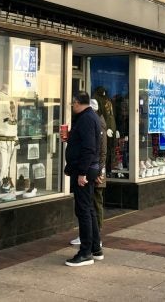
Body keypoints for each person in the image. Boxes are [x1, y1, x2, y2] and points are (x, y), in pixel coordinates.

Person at [64, 92, 102, 266]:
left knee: (83, 210)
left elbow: (89, 148)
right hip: (89, 168)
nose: (72, 106)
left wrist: (82, 173)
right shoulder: (90, 117)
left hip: (85, 170)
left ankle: (86, 252)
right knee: (89, 209)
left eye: (73, 103)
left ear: (78, 103)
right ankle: (95, 248)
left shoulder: (86, 119)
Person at [70, 99, 107, 247]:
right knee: (90, 206)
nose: (72, 106)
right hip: (93, 169)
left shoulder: (91, 121)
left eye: (73, 103)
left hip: (91, 170)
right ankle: (94, 243)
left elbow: (97, 150)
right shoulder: (94, 120)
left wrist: (98, 171)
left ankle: (90, 243)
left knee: (90, 206)